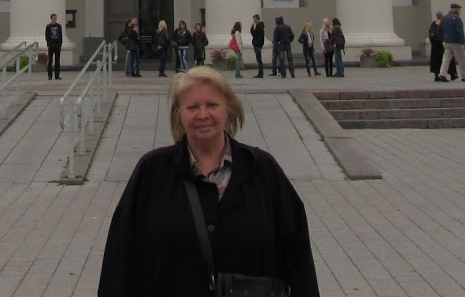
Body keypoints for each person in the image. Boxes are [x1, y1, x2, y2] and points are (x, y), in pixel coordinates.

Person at [97, 67, 320, 297]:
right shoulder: (151, 173)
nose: (203, 115)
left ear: (229, 108)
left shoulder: (262, 170)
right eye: (192, 107)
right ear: (178, 115)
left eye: (212, 105)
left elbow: (298, 257)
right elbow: (120, 261)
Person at [442, 2, 465, 81]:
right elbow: (459, 31)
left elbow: (439, 30)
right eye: (459, 10)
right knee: (461, 59)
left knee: (446, 58)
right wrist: (463, 42)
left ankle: (442, 74)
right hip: (455, 41)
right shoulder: (457, 18)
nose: (460, 11)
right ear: (456, 9)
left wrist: (443, 38)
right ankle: (464, 76)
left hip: (446, 41)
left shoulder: (444, 18)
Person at [429, 12, 448, 81]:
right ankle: (442, 74)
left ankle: (436, 75)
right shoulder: (442, 23)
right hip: (440, 44)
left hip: (434, 45)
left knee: (435, 61)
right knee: (441, 60)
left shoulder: (434, 23)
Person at [45, 13, 64, 80]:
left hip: (57, 45)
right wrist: (49, 43)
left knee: (57, 60)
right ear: (51, 19)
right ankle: (50, 75)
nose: (54, 20)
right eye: (53, 18)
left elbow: (60, 35)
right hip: (51, 45)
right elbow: (47, 36)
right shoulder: (48, 26)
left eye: (55, 18)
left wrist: (60, 43)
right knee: (50, 61)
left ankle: (57, 75)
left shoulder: (59, 26)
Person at [321, 15, 335, 80]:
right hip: (326, 46)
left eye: (328, 22)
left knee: (331, 60)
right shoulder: (322, 30)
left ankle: (331, 73)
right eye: (326, 22)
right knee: (326, 60)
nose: (328, 23)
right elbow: (321, 40)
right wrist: (323, 48)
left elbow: (333, 37)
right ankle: (327, 73)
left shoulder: (331, 29)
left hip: (331, 46)